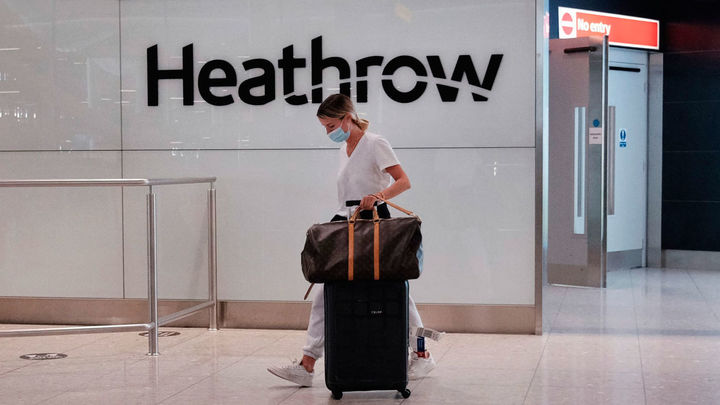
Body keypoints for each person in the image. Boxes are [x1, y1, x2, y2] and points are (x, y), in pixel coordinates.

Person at [267, 94, 443, 387]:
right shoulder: (344, 148)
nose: (328, 132)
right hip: (346, 223)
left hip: (373, 222)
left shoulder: (375, 143)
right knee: (328, 288)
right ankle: (308, 363)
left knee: (392, 286)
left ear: (348, 118)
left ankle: (421, 353)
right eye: (325, 127)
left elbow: (403, 181)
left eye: (331, 125)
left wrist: (377, 196)